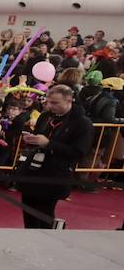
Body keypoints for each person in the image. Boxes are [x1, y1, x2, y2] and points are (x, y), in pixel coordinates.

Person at [17, 84, 93, 228]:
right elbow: (41, 137)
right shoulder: (45, 116)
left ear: (69, 100)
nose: (50, 106)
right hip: (33, 171)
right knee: (28, 212)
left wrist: (49, 144)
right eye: (48, 102)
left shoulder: (82, 123)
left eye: (55, 103)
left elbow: (78, 152)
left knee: (44, 214)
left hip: (55, 175)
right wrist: (33, 140)